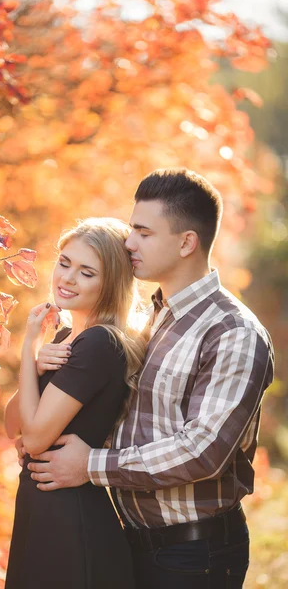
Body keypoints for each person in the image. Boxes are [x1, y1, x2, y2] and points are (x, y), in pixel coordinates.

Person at [24, 168, 274, 589]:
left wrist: (90, 465)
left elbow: (202, 451)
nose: (128, 242)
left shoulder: (232, 332)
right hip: (129, 538)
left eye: (143, 232)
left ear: (186, 243)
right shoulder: (150, 320)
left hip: (195, 555)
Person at [4, 217, 146, 589]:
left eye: (86, 272)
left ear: (110, 283)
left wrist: (27, 348)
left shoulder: (100, 343)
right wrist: (35, 365)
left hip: (69, 515)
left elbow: (33, 441)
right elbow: (11, 424)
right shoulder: (69, 337)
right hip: (43, 506)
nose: (66, 278)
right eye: (64, 262)